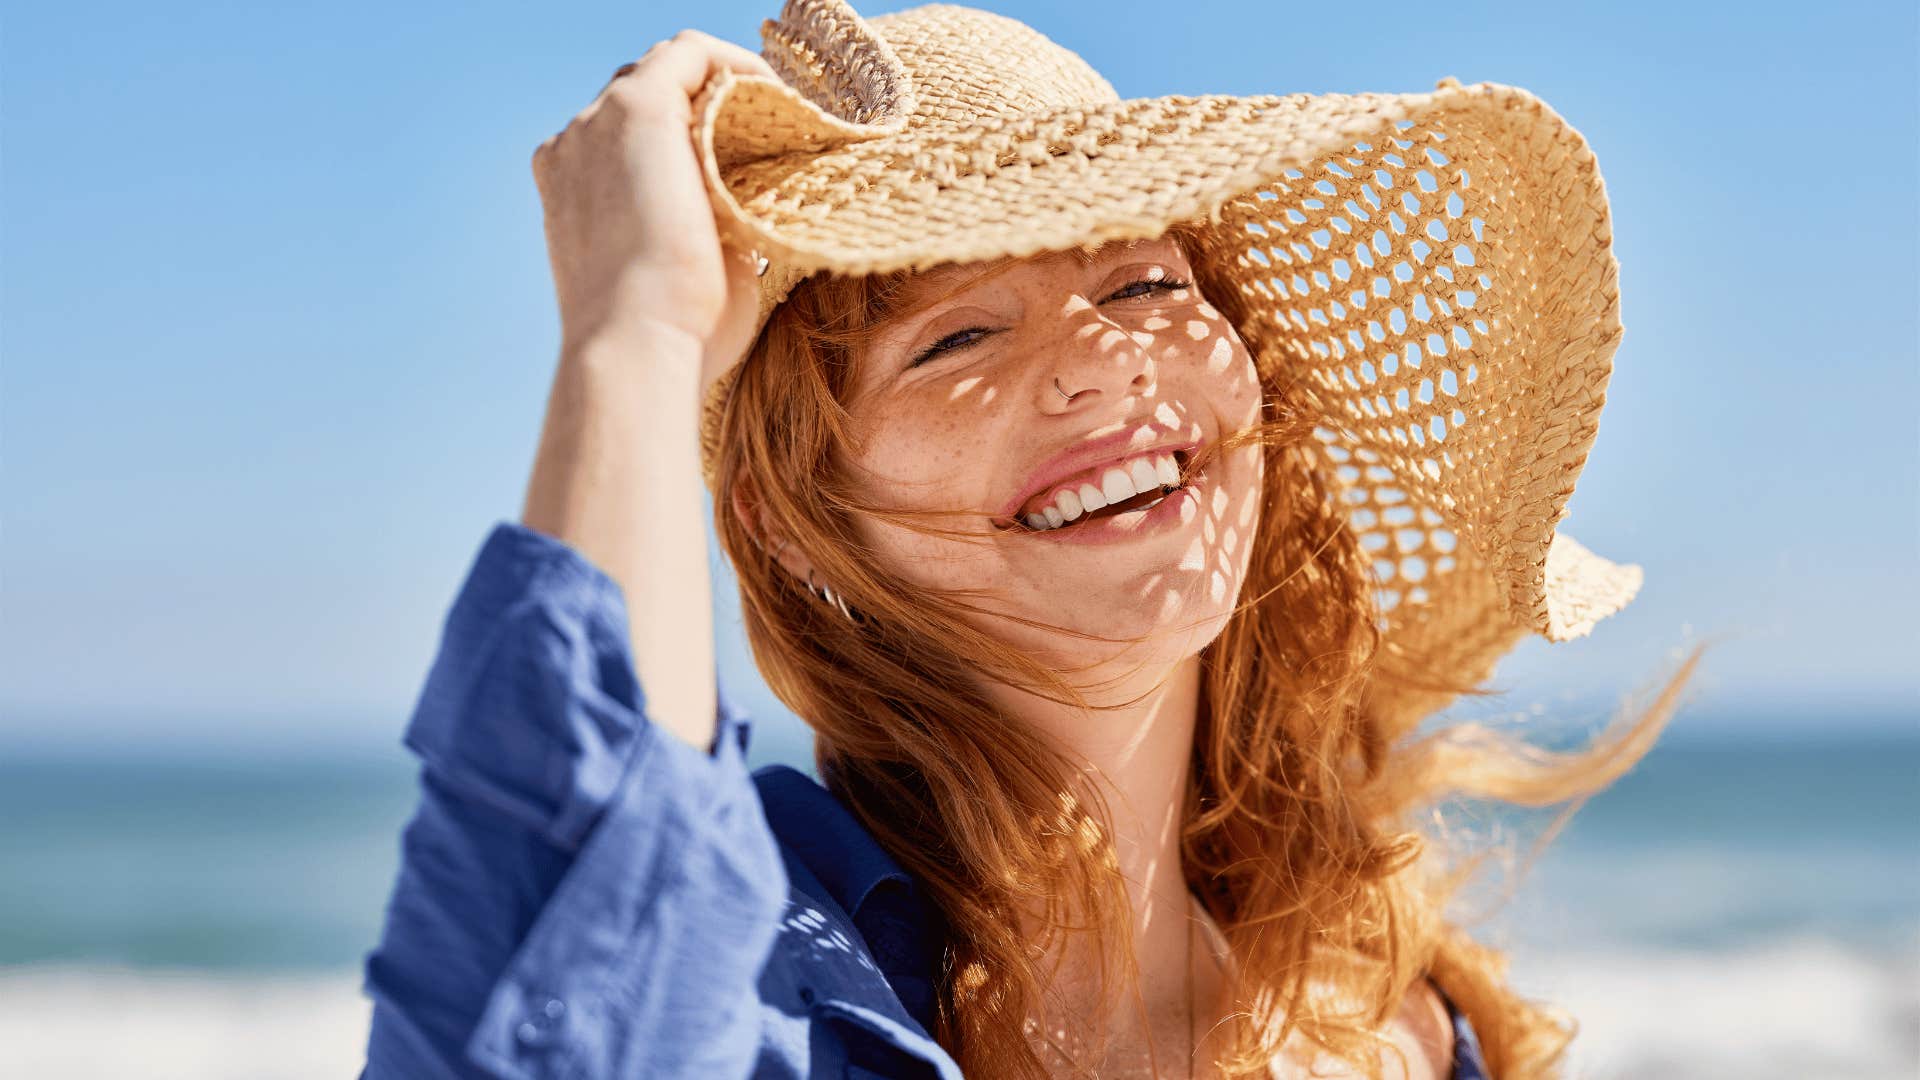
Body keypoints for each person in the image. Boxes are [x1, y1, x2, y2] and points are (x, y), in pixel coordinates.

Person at [360, 2, 1705, 1077]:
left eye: (1145, 280)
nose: (1105, 364)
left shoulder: (1409, 1027)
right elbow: (559, 1020)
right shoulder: (776, 987)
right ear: (788, 525)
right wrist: (636, 333)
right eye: (957, 337)